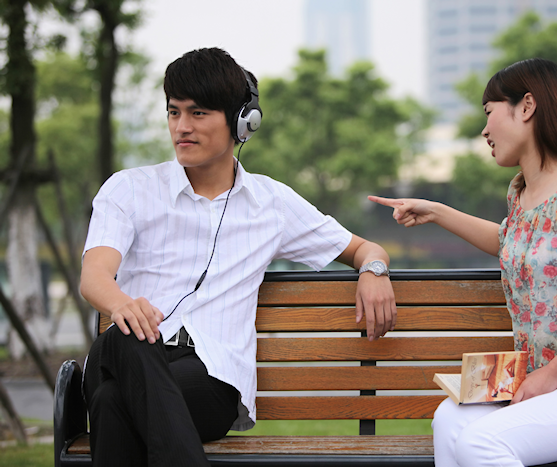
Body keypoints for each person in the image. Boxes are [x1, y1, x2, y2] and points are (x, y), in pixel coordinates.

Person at [79, 47, 397, 467]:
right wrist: (123, 304)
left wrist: (374, 270)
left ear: (242, 122)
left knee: (110, 402)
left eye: (198, 114)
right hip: (126, 351)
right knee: (127, 339)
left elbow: (363, 248)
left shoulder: (271, 203)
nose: (181, 127)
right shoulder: (130, 189)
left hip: (211, 380)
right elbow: (94, 276)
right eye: (174, 112)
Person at [369, 58, 557, 467]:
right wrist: (437, 211)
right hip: (531, 382)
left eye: (489, 112)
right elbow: (511, 241)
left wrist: (551, 375)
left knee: (480, 443)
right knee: (449, 419)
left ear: (527, 107)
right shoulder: (521, 194)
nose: (484, 130)